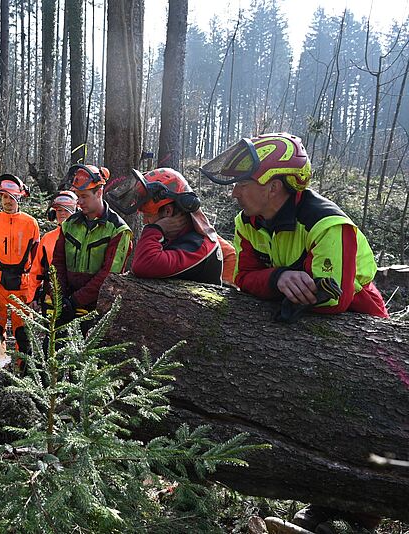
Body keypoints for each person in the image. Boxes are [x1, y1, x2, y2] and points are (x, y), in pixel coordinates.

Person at [201, 132, 387, 532]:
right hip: (299, 321)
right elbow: (244, 276)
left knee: (359, 415)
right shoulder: (248, 222)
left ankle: (362, 513)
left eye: (243, 183)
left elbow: (332, 297)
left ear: (273, 186)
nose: (234, 193)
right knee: (314, 412)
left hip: (360, 320)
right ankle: (322, 501)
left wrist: (282, 283)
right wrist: (280, 278)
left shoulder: (328, 223)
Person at [109, 167, 226, 285]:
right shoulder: (179, 236)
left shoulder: (199, 246)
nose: (145, 221)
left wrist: (155, 229)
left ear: (168, 211)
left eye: (148, 215)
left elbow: (143, 263)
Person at [51, 164, 133, 329]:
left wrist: (75, 301)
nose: (79, 202)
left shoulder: (118, 230)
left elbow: (109, 274)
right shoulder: (69, 224)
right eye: (77, 196)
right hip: (65, 302)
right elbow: (58, 262)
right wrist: (60, 297)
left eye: (84, 196)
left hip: (97, 307)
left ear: (99, 192)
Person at [0, 175, 40, 353]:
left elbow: (36, 257)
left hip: (22, 283)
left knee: (23, 331)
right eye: (5, 197)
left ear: (19, 197)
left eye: (12, 197)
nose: (8, 201)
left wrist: (36, 287)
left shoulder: (31, 223)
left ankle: (24, 365)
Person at [27, 190, 78, 309]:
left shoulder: (84, 237)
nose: (62, 213)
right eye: (59, 210)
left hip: (76, 297)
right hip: (50, 296)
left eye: (67, 210)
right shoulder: (48, 238)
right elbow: (37, 271)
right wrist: (33, 297)